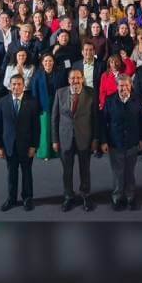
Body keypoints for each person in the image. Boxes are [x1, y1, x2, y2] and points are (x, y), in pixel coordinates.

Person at [51, 68, 99, 212]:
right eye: (72, 78)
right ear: (68, 80)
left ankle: (85, 195)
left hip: (84, 137)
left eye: (78, 78)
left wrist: (95, 138)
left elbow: (96, 118)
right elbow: (54, 118)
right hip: (65, 138)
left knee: (85, 169)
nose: (75, 81)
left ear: (82, 79)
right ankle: (68, 197)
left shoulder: (91, 93)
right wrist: (54, 140)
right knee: (67, 170)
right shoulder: (60, 93)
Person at [99, 74, 142, 211]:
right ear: (116, 86)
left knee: (130, 172)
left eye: (126, 85)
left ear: (130, 85)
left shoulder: (138, 100)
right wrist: (103, 141)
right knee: (118, 172)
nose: (123, 88)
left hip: (132, 142)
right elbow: (103, 123)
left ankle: (130, 196)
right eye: (120, 85)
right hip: (115, 143)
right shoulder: (109, 101)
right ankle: (117, 197)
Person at [0, 75, 40, 212]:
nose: (16, 87)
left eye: (19, 84)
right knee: (11, 173)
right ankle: (11, 199)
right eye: (13, 84)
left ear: (23, 86)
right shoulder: (3, 102)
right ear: (10, 86)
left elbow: (36, 127)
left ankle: (27, 198)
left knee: (27, 173)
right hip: (9, 146)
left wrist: (34, 146)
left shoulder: (32, 102)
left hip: (26, 146)